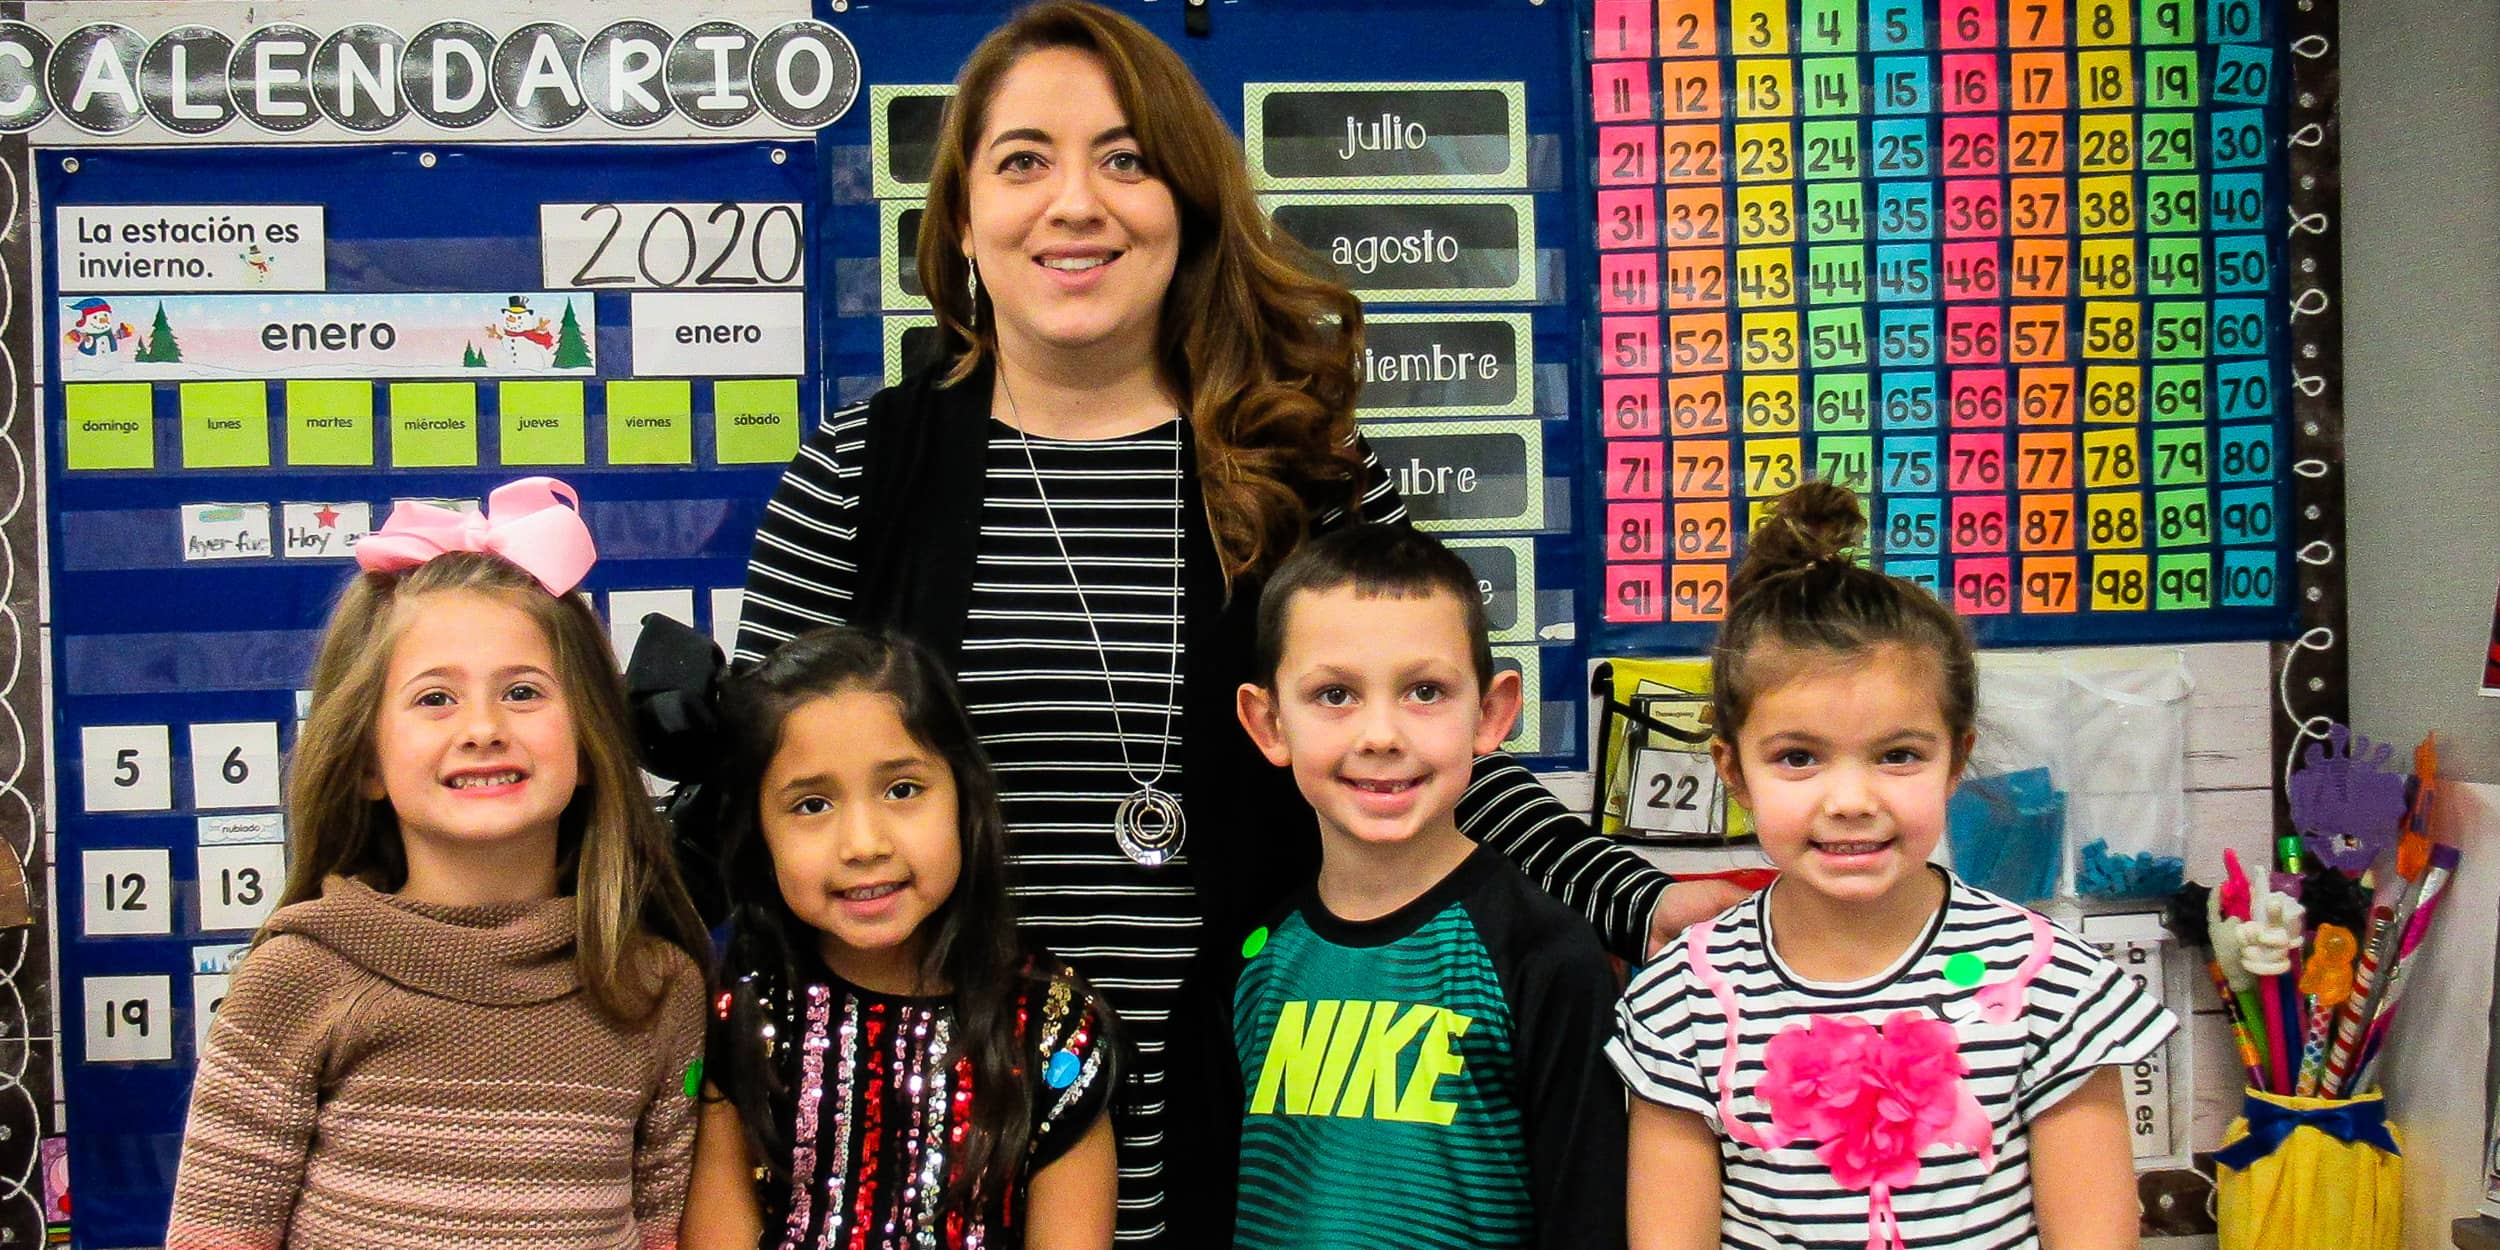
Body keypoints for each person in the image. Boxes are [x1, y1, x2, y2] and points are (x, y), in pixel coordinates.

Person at [729, 3, 1737, 1239]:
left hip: (1281, 1117)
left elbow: (1429, 754)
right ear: (959, 219)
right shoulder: (859, 479)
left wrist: (1638, 900)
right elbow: (750, 802)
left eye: (1126, 157)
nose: (1076, 202)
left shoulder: (1298, 473)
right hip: (948, 1141)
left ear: (1191, 203)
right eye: (1023, 159)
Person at [1609, 481, 2179, 1250]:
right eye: (1798, 757)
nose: (1851, 799)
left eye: (1899, 755)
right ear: (1734, 771)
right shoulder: (1683, 1002)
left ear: (1956, 761)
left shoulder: (2049, 985)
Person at [166, 479, 710, 1249]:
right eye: (434, 700)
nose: (484, 728)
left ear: (591, 745)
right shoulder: (299, 979)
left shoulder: (656, 991)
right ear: (366, 762)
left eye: (523, 691)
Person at [1230, 525, 1626, 1250]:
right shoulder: (1253, 959)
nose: (1381, 734)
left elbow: (1587, 1217)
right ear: (1268, 723)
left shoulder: (1545, 955)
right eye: (1335, 694)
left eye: (1424, 691)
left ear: (1492, 713)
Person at [681, 627, 1119, 1249]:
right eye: (811, 805)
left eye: (902, 790)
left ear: (965, 798)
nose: (864, 844)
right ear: (758, 831)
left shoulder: (1052, 1026)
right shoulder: (742, 1006)